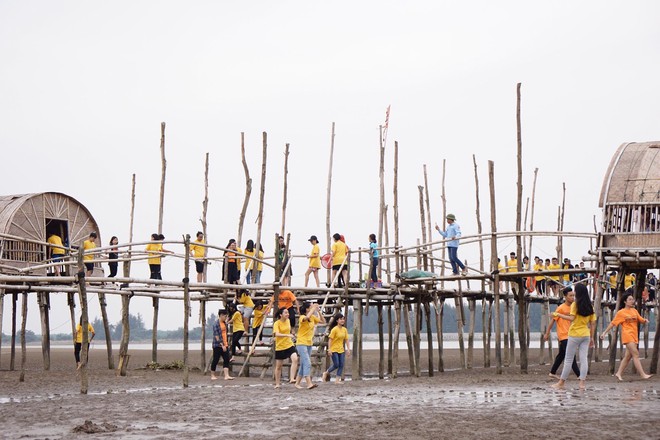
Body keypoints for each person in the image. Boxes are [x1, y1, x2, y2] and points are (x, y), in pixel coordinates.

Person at [552, 283, 596, 390]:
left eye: (575, 291)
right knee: (583, 359)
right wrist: (592, 337)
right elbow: (593, 323)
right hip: (585, 334)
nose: (574, 293)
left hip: (574, 334)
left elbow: (571, 318)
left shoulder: (575, 305)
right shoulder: (590, 306)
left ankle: (561, 382)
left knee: (568, 359)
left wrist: (558, 314)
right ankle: (582, 383)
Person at [600, 293, 653, 381]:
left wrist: (645, 320)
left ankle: (618, 373)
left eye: (632, 299)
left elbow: (640, 319)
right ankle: (643, 374)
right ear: (625, 301)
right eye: (630, 299)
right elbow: (613, 323)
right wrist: (604, 333)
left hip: (634, 335)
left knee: (628, 357)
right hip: (627, 336)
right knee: (636, 354)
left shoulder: (634, 310)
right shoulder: (621, 312)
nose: (632, 301)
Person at [543, 287, 580, 379]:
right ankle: (579, 375)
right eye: (570, 296)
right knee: (571, 355)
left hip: (572, 334)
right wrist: (547, 333)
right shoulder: (561, 308)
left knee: (562, 355)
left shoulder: (574, 307)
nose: (573, 297)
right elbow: (552, 321)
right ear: (565, 296)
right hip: (563, 335)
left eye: (573, 296)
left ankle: (552, 372)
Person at [295, 302, 325, 389]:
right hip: (301, 343)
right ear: (307, 309)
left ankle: (297, 383)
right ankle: (309, 383)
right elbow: (306, 317)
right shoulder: (302, 317)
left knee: (304, 363)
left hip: (309, 343)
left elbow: (323, 321)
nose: (312, 308)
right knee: (307, 362)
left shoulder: (312, 317)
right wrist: (313, 308)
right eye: (310, 307)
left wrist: (318, 311)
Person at [273, 308, 299, 389]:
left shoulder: (288, 321)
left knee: (295, 359)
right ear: (281, 315)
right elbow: (276, 334)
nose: (288, 314)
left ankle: (292, 378)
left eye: (288, 313)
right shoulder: (277, 323)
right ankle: (277, 383)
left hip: (289, 344)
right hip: (280, 347)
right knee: (278, 367)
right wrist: (287, 335)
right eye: (285, 313)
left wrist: (293, 334)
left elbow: (290, 330)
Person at [322, 313, 350, 384]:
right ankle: (326, 373)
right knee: (336, 364)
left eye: (343, 319)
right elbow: (330, 340)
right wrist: (329, 349)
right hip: (334, 349)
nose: (342, 320)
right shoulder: (334, 329)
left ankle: (337, 380)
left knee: (341, 364)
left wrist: (348, 349)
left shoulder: (344, 330)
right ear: (337, 320)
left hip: (341, 349)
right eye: (341, 319)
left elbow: (346, 340)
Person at [210, 309, 233, 380]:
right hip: (217, 345)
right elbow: (216, 336)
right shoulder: (216, 324)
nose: (226, 318)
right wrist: (221, 344)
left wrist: (226, 344)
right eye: (225, 316)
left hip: (225, 344)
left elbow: (225, 334)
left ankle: (226, 375)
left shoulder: (225, 324)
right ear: (221, 315)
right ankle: (212, 375)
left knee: (226, 359)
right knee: (215, 360)